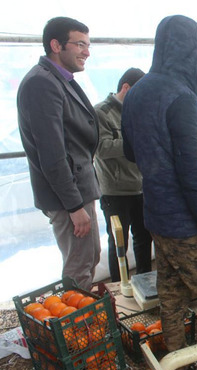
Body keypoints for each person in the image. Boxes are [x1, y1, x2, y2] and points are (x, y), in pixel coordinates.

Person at [121, 15, 197, 370]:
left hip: (156, 215)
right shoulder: (182, 98)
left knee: (171, 294)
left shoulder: (137, 91)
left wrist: (156, 157)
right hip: (187, 223)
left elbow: (129, 153)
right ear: (192, 52)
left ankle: (178, 367)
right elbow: (192, 172)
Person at [17, 17, 100, 290]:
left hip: (79, 191)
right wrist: (74, 207)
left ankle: (86, 323)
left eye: (87, 45)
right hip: (68, 197)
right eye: (79, 44)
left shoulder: (59, 80)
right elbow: (52, 154)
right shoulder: (41, 84)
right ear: (56, 45)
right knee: (79, 267)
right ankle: (79, 327)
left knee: (89, 258)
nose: (86, 51)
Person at [94, 68, 152, 282]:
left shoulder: (140, 111)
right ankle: (119, 288)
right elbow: (101, 148)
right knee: (118, 242)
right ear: (126, 87)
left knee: (144, 238)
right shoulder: (101, 112)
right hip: (115, 191)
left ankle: (146, 282)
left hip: (141, 186)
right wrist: (135, 141)